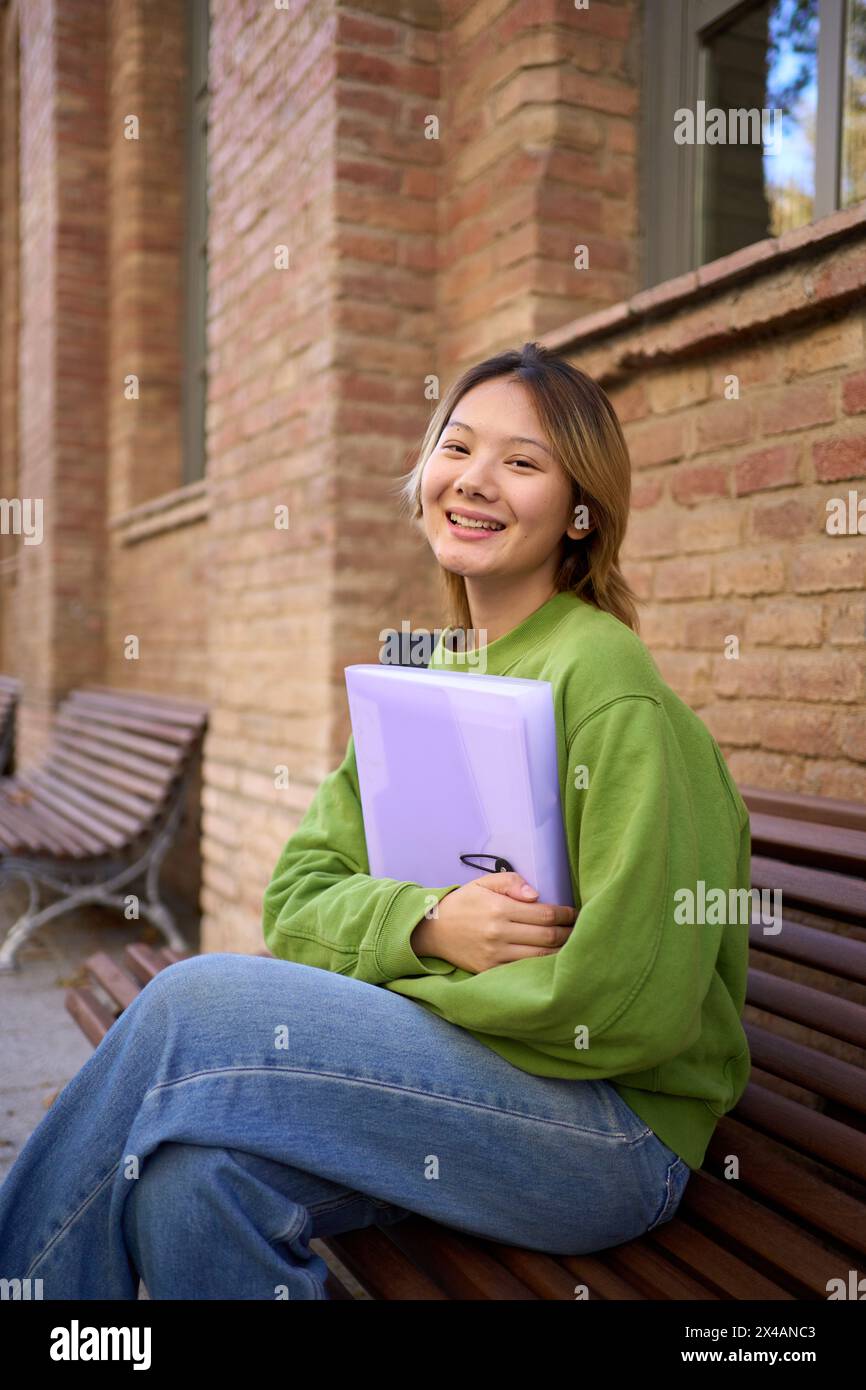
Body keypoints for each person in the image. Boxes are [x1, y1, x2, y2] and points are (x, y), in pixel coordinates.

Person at [0, 342, 750, 1299]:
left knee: (191, 1008)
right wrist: (429, 923)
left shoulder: (605, 683)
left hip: (604, 1135)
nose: (475, 481)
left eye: (521, 463)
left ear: (580, 512)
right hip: (460, 1096)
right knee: (189, 1185)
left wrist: (392, 989)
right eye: (458, 448)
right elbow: (295, 899)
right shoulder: (430, 671)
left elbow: (632, 1006)